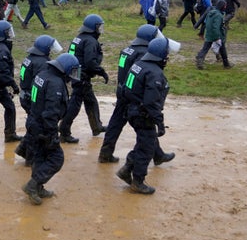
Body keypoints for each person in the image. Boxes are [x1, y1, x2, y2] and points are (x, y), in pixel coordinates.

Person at [98, 25, 174, 164]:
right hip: (133, 96)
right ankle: (156, 155)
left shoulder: (128, 49)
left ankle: (106, 153)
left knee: (116, 124)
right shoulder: (143, 53)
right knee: (146, 128)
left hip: (123, 91)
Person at [116, 37, 180, 194]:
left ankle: (126, 169)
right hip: (143, 115)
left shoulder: (138, 65)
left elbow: (126, 89)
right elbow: (151, 102)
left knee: (143, 144)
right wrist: (160, 122)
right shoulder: (155, 73)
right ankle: (138, 181)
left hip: (132, 111)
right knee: (146, 149)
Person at [21, 53, 81, 205]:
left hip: (34, 122)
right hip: (43, 127)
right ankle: (33, 185)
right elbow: (51, 113)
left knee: (40, 156)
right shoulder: (56, 84)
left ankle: (38, 187)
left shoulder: (43, 74)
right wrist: (52, 135)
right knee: (56, 158)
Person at [58, 14, 108, 143]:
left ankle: (96, 126)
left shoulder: (79, 38)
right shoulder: (90, 41)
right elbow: (90, 62)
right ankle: (64, 130)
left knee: (90, 101)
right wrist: (101, 71)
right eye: (99, 27)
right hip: (81, 74)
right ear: (93, 27)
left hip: (75, 71)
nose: (100, 29)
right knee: (75, 103)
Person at [15, 35, 63, 165]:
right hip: (32, 98)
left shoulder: (31, 58)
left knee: (32, 125)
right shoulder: (42, 63)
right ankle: (30, 159)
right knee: (35, 128)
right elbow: (42, 83)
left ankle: (23, 149)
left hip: (26, 95)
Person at [195, 0, 232, 69]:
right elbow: (216, 27)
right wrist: (217, 37)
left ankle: (199, 60)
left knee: (205, 49)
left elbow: (207, 24)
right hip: (217, 35)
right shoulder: (219, 15)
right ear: (222, 6)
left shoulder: (210, 13)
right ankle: (226, 64)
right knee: (222, 49)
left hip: (209, 34)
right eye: (225, 5)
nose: (225, 7)